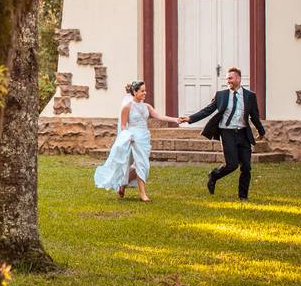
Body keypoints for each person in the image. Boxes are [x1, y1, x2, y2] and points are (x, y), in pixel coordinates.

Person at [178, 67, 265, 201]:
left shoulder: (250, 96)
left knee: (246, 167)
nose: (228, 81)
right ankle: (214, 175)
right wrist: (190, 118)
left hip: (243, 133)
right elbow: (207, 110)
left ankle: (243, 197)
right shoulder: (221, 95)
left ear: (238, 79)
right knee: (232, 165)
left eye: (230, 78)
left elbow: (254, 116)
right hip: (227, 133)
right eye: (227, 79)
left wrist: (261, 131)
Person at [94, 80, 181, 201]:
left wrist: (176, 120)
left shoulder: (147, 107)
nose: (145, 93)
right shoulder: (127, 107)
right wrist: (127, 136)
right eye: (142, 91)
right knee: (133, 164)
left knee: (142, 164)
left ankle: (127, 187)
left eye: (145, 90)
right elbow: (123, 125)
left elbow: (159, 116)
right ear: (135, 92)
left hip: (144, 138)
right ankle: (137, 191)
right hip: (133, 138)